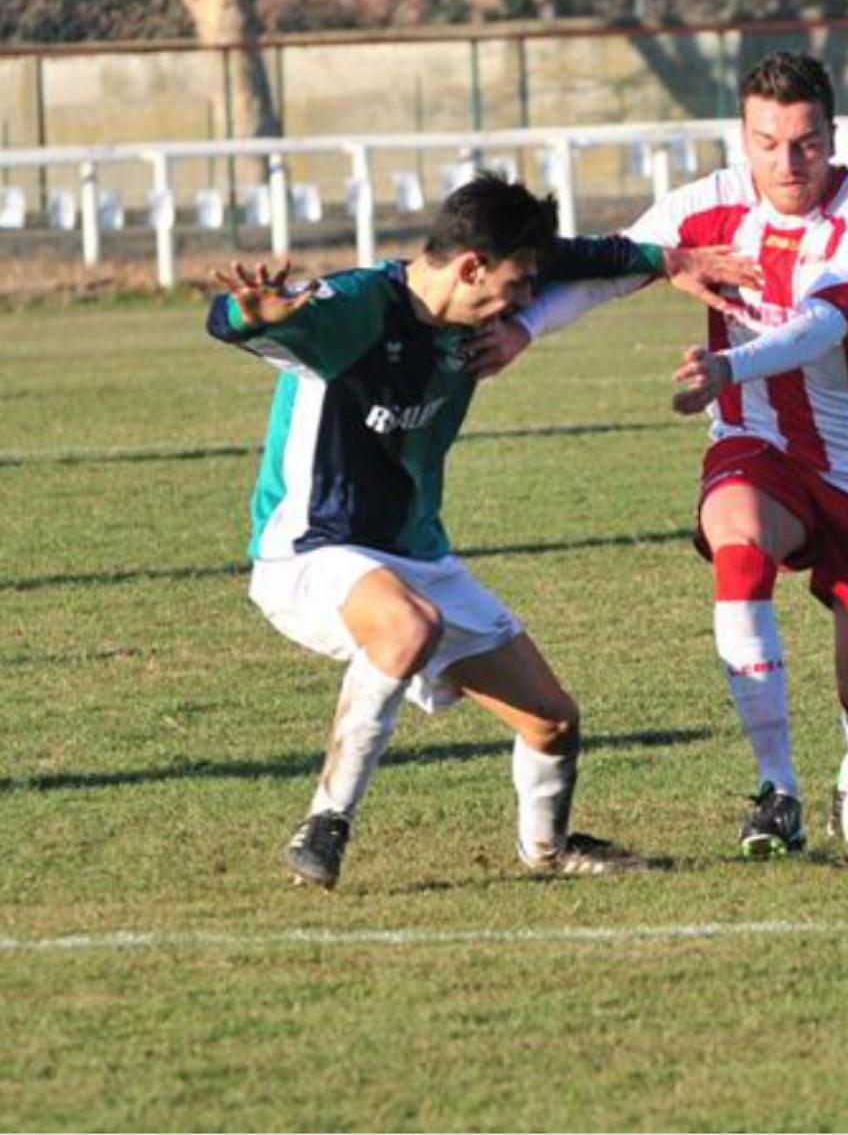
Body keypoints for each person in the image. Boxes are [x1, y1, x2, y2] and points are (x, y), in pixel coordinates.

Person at [207, 171, 758, 890]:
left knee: (553, 721)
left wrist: (670, 261)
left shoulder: (481, 295)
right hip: (312, 551)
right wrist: (247, 313)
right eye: (519, 285)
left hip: (415, 555)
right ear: (471, 267)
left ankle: (549, 850)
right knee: (408, 628)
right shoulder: (358, 308)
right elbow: (239, 319)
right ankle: (325, 822)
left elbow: (584, 256)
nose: (527, 302)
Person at [467, 53, 848, 858]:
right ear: (742, 139)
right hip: (758, 441)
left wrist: (727, 367)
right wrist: (523, 328)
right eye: (767, 142)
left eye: (807, 143)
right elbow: (613, 268)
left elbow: (827, 322)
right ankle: (776, 787)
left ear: (833, 135)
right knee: (737, 540)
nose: (788, 162)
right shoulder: (709, 202)